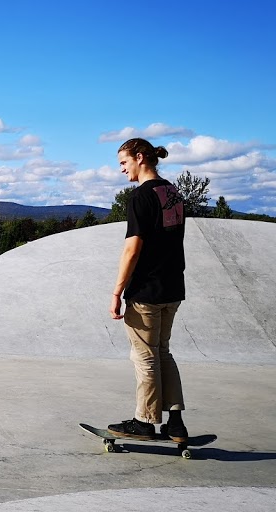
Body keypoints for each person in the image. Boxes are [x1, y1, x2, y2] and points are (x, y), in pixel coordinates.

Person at [107, 138, 189, 443]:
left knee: (144, 357)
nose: (122, 169)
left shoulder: (141, 196)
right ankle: (176, 423)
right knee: (162, 352)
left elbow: (132, 248)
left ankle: (144, 422)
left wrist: (117, 291)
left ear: (140, 157)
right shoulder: (173, 192)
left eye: (123, 162)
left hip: (146, 290)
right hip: (173, 287)